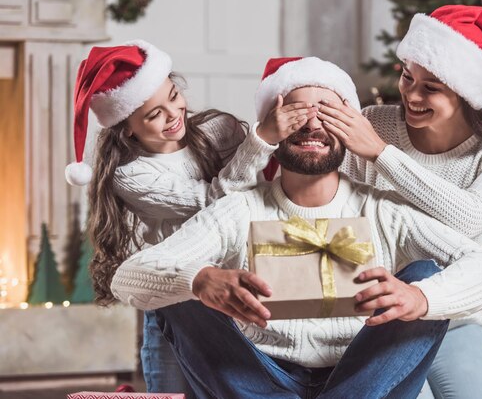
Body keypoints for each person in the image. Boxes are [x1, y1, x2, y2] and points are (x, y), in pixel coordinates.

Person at [110, 56, 482, 399]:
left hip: (360, 379)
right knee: (180, 286)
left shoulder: (384, 211)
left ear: (349, 127)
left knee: (426, 275)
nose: (311, 122)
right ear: (272, 129)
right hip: (260, 380)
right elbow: (127, 277)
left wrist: (420, 297)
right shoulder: (236, 210)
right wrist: (200, 280)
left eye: (327, 110)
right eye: (295, 112)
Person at [65, 41, 318, 396]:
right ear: (127, 129)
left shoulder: (221, 130)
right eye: (154, 114)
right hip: (176, 302)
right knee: (170, 390)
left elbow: (259, 194)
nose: (173, 113)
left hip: (239, 291)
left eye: (173, 95)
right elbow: (216, 205)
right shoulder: (132, 175)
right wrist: (261, 141)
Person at [307, 5, 482, 399]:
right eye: (407, 77)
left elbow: (469, 218)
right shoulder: (374, 123)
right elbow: (330, 209)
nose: (412, 94)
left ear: (464, 93)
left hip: (454, 317)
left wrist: (381, 154)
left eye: (431, 88)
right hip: (372, 315)